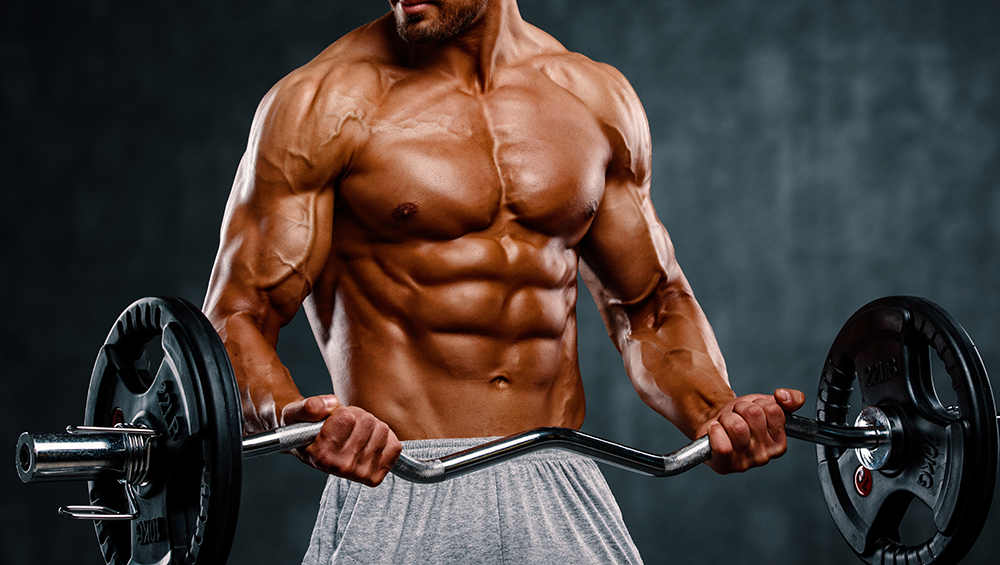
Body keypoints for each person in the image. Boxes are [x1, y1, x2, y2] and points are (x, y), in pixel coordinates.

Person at [203, 0, 805, 562]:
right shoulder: (321, 103)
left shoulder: (593, 99)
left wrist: (716, 410)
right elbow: (236, 317)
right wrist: (296, 420)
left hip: (559, 476)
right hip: (403, 482)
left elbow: (650, 303)